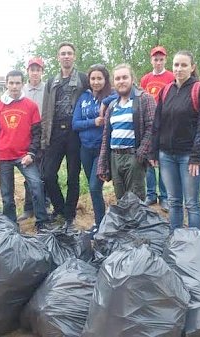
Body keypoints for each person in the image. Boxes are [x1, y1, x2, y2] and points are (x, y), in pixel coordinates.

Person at [151, 50, 200, 231]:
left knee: (192, 203)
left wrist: (196, 157)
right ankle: (176, 241)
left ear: (192, 68)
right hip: (166, 156)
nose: (179, 69)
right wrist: (154, 152)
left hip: (189, 157)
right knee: (174, 201)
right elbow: (157, 124)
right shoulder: (166, 90)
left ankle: (195, 243)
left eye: (184, 65)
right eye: (176, 65)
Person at [0, 70, 51, 229]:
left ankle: (41, 221)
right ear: (6, 84)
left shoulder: (31, 106)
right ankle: (11, 224)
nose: (14, 86)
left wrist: (31, 153)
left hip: (24, 156)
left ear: (23, 84)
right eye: (11, 83)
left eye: (17, 83)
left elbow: (37, 133)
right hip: (3, 156)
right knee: (7, 194)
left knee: (36, 185)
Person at [41, 42, 89, 229]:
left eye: (69, 53)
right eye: (63, 53)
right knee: (48, 174)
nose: (66, 56)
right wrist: (45, 136)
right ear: (58, 57)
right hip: (55, 132)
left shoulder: (83, 79)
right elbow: (46, 109)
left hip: (74, 133)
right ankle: (59, 208)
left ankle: (70, 215)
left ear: (74, 57)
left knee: (72, 176)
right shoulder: (52, 81)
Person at [97, 64, 156, 201]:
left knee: (135, 202)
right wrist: (102, 164)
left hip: (133, 156)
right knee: (121, 201)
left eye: (125, 77)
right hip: (115, 157)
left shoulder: (144, 99)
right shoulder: (112, 106)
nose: (121, 81)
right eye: (117, 78)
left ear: (132, 79)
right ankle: (124, 223)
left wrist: (140, 154)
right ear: (113, 82)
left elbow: (152, 128)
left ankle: (136, 223)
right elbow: (106, 137)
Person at [72, 64, 112, 234]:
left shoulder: (111, 96)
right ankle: (100, 221)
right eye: (93, 79)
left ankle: (100, 224)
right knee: (93, 187)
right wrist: (93, 122)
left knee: (95, 187)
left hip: (102, 150)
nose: (96, 82)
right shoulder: (83, 98)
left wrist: (105, 102)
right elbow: (75, 124)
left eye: (99, 78)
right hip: (85, 149)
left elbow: (123, 94)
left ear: (105, 80)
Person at [140, 46, 174, 211]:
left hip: (166, 123)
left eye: (161, 59)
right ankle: (151, 194)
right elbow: (141, 99)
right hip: (149, 125)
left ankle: (165, 196)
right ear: (151, 60)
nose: (158, 62)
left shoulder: (171, 77)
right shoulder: (146, 79)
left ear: (165, 60)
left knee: (163, 160)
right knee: (148, 160)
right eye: (155, 59)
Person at [19, 57, 48, 221]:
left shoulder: (48, 89)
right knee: (29, 175)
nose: (35, 72)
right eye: (32, 69)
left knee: (44, 174)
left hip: (44, 137)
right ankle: (28, 208)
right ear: (28, 71)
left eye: (38, 69)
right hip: (27, 139)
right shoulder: (21, 90)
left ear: (42, 72)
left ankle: (44, 204)